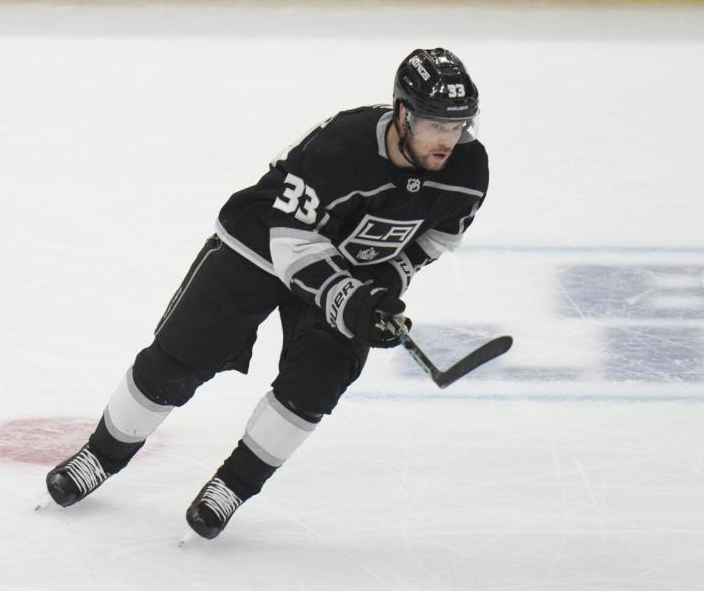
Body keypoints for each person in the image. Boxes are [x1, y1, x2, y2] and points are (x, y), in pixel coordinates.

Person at [43, 48, 490, 540]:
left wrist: (382, 289)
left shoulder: (469, 171)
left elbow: (431, 241)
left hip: (350, 269)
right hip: (260, 243)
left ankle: (231, 488)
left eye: (458, 126)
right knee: (179, 359)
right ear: (403, 114)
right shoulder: (341, 144)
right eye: (435, 126)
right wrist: (348, 298)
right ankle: (101, 456)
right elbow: (290, 239)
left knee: (316, 384)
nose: (448, 140)